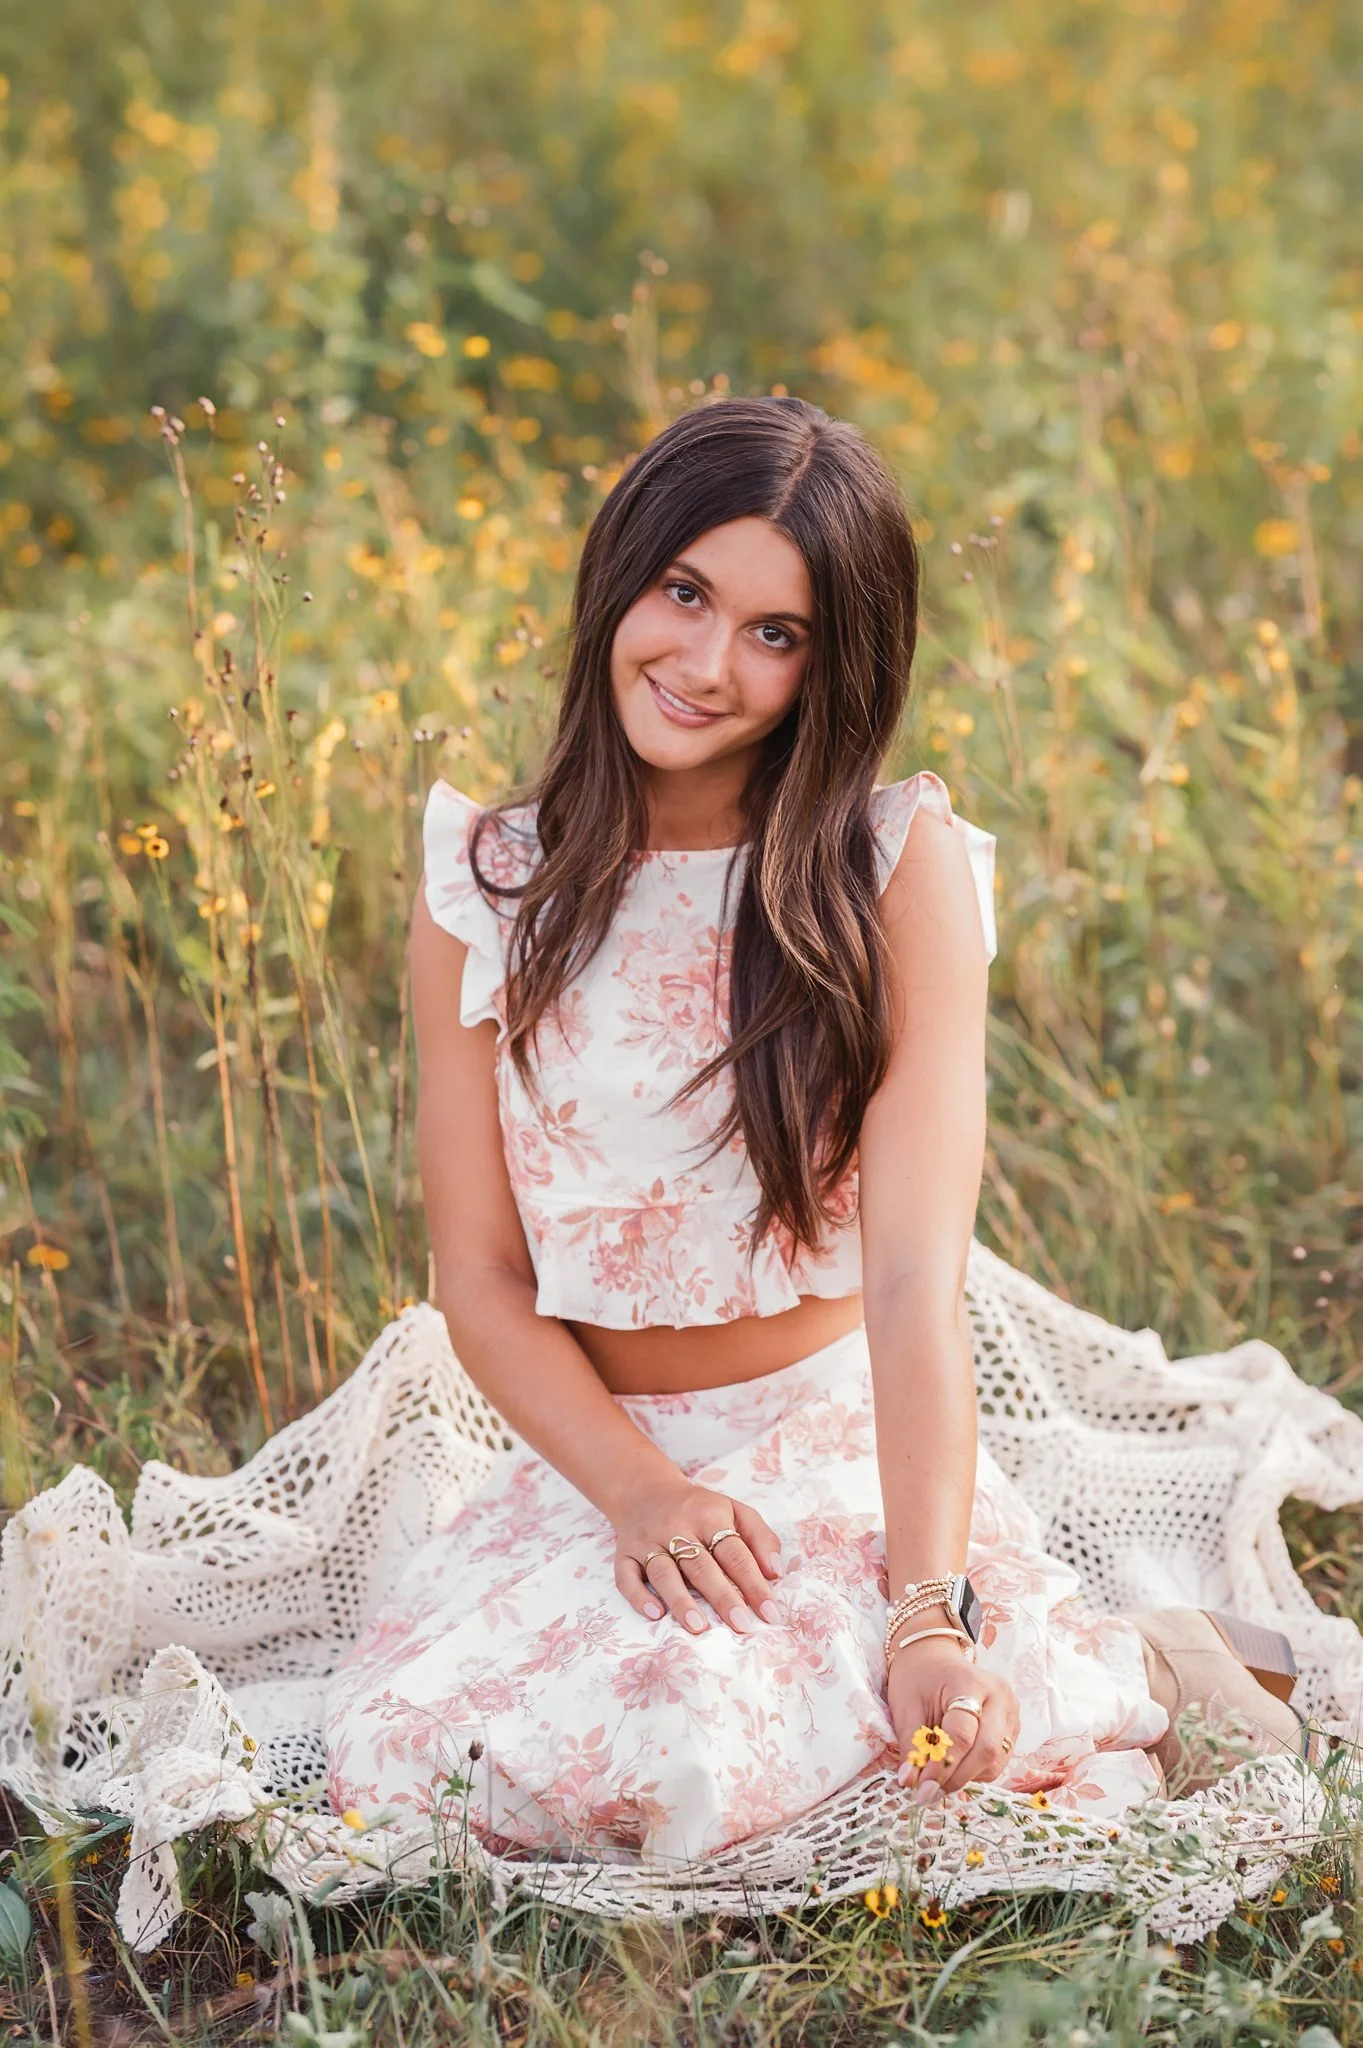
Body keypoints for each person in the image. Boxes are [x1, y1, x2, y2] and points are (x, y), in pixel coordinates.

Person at [324, 396, 1310, 1863]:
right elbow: (477, 1275)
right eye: (684, 594)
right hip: (607, 1451)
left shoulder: (887, 868)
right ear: (620, 576)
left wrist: (923, 1604)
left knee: (760, 1742)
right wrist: (638, 1492)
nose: (707, 665)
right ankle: (1098, 1659)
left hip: (829, 1433)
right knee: (445, 1771)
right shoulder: (490, 882)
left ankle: (1139, 1665)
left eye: (774, 635)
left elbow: (917, 1280)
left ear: (830, 666)